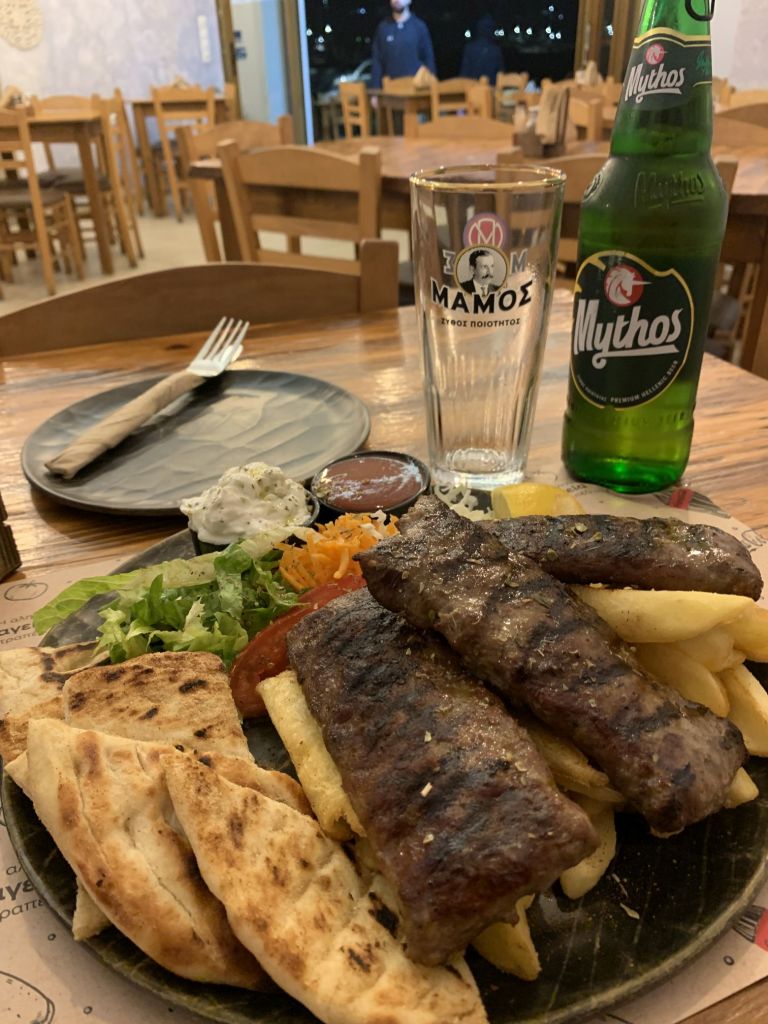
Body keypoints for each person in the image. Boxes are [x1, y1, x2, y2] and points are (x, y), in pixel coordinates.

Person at [370, 0, 436, 90]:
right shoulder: (383, 28)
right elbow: (377, 61)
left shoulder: (419, 26)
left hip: (416, 89)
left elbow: (429, 59)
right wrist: (375, 90)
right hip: (391, 89)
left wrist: (432, 88)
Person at [460, 15, 503, 85]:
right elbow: (465, 72)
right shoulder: (470, 48)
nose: (487, 30)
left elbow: (500, 73)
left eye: (489, 27)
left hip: (491, 87)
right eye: (485, 27)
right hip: (473, 87)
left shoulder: (496, 50)